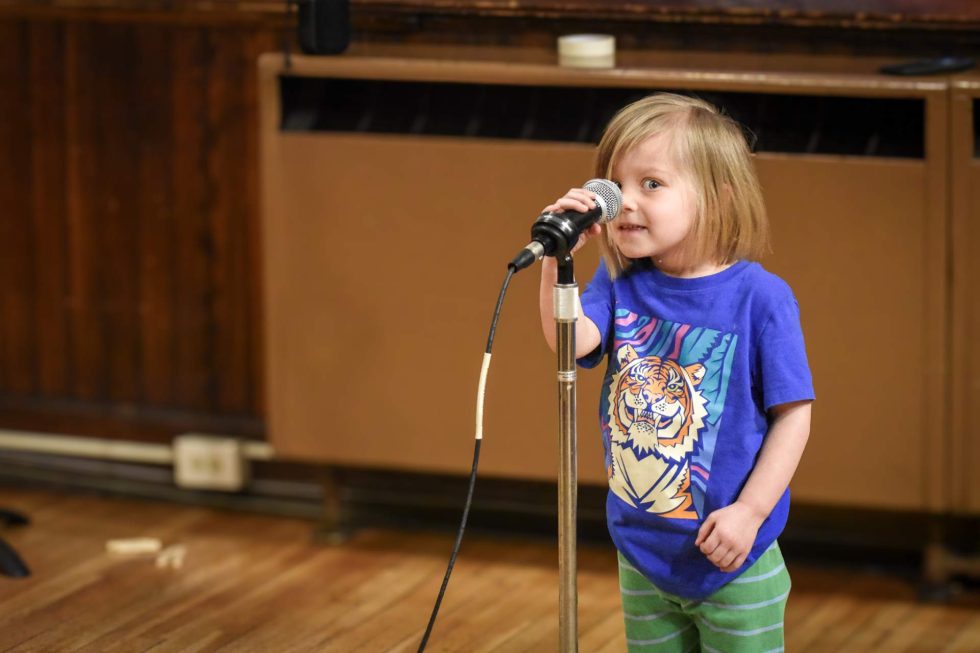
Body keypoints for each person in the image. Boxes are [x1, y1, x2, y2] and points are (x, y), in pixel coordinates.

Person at [538, 93, 814, 652]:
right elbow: (569, 344)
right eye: (618, 184)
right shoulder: (619, 281)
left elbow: (793, 418)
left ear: (717, 198)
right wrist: (555, 257)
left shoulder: (761, 299)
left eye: (652, 184)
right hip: (644, 552)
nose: (626, 204)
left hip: (733, 556)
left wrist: (749, 512)